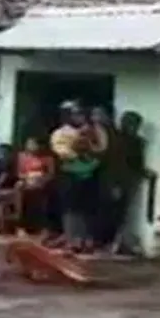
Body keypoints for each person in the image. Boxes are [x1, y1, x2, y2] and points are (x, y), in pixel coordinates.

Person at [51, 101, 104, 250]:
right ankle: (71, 240)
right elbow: (62, 152)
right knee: (70, 208)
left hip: (90, 173)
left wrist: (90, 144)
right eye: (74, 114)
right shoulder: (60, 133)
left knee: (86, 208)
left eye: (80, 113)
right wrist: (78, 148)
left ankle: (85, 240)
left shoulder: (93, 131)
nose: (78, 117)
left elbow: (101, 149)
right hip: (70, 173)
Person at [101, 111, 151, 254]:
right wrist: (113, 184)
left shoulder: (137, 142)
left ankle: (120, 243)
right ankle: (111, 243)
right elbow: (112, 164)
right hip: (116, 180)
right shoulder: (115, 140)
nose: (133, 127)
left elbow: (137, 163)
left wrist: (144, 172)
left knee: (125, 213)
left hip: (129, 181)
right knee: (115, 213)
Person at [16, 137, 56, 237]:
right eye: (29, 144)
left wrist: (42, 179)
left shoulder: (47, 159)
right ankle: (22, 226)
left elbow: (51, 174)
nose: (32, 146)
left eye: (34, 144)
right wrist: (27, 177)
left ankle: (44, 227)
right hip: (28, 182)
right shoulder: (23, 157)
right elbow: (20, 174)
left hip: (42, 183)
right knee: (22, 190)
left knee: (42, 195)